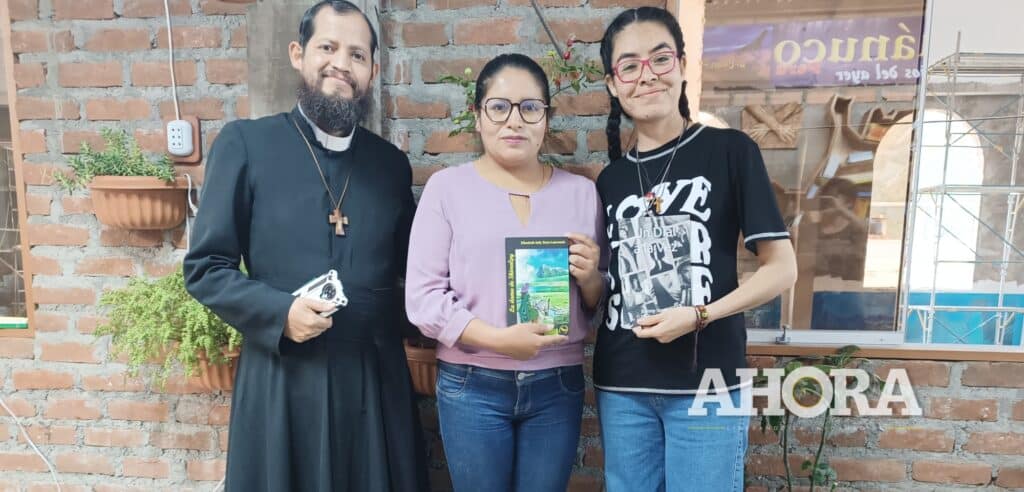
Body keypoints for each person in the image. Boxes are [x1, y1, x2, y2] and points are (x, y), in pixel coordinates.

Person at [183, 2, 428, 490]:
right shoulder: (246, 145)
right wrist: (280, 312)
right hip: (282, 379)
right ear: (299, 54)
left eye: (358, 54)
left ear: (373, 70)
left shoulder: (390, 166)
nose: (342, 63)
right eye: (328, 47)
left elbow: (417, 269)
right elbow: (206, 268)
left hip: (373, 382)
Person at [593, 7, 798, 491]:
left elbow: (781, 269)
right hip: (622, 384)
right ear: (613, 83)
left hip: (708, 386)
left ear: (682, 65)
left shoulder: (731, 151)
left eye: (660, 59)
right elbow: (610, 281)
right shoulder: (611, 179)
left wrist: (700, 314)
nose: (647, 76)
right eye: (629, 65)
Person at [404, 53, 606, 492]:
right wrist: (498, 340)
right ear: (478, 117)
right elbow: (423, 298)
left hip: (557, 385)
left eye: (530, 107)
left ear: (546, 120)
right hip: (471, 384)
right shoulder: (447, 189)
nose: (515, 121)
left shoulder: (582, 194)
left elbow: (597, 303)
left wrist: (592, 281)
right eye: (499, 107)